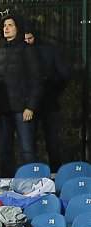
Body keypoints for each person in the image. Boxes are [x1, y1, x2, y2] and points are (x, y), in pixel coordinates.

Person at [0, 13, 42, 177]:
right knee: (4, 149)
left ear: (18, 28)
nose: (6, 28)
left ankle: (33, 182)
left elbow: (37, 80)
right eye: (4, 26)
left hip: (22, 110)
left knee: (27, 149)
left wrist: (30, 106)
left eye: (10, 25)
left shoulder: (28, 50)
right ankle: (7, 183)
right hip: (2, 110)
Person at [24, 21, 71, 172]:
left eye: (30, 38)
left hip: (36, 102)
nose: (28, 42)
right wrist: (56, 90)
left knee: (32, 144)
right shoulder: (50, 50)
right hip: (47, 101)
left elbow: (64, 74)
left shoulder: (24, 51)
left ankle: (34, 174)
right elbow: (64, 74)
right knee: (51, 142)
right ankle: (55, 173)